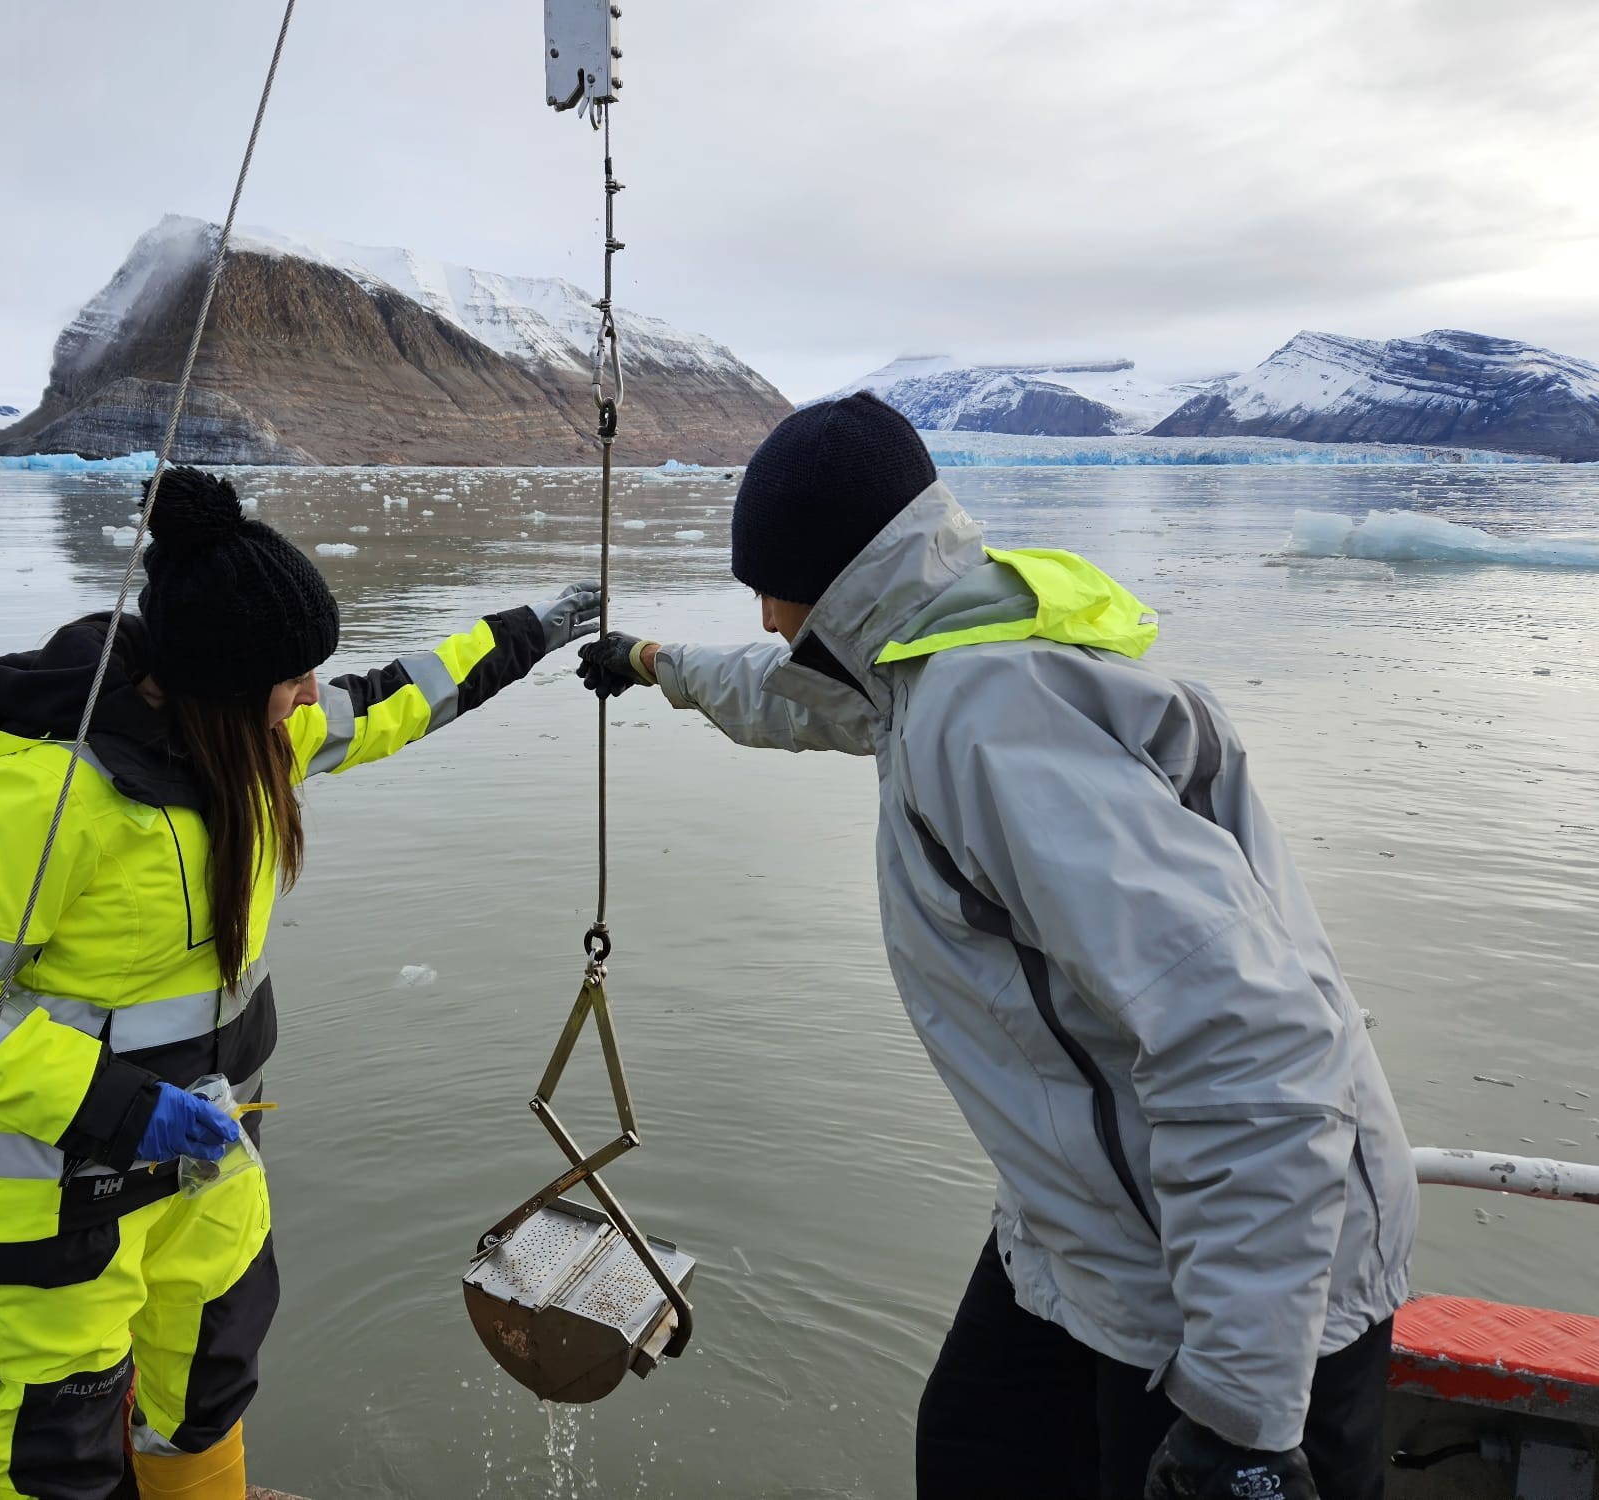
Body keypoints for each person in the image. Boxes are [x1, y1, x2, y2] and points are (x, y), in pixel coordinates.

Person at [578, 393, 1418, 1500]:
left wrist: (1243, 1422)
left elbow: (1254, 1043)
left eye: (765, 590)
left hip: (1230, 1271)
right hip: (1090, 1227)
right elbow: (788, 695)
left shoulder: (992, 721)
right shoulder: (934, 653)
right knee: (975, 1448)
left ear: (828, 579)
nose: (769, 622)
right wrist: (650, 662)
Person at [0, 467, 601, 1500]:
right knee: (52, 1442)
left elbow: (398, 699)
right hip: (62, 1184)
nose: (310, 694)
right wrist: (121, 1110)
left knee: (205, 1387)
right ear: (220, 683)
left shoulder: (252, 745)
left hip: (212, 1158)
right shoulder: (54, 797)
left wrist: (532, 627)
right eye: (289, 675)